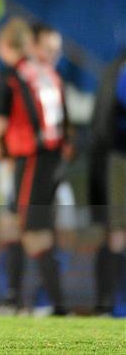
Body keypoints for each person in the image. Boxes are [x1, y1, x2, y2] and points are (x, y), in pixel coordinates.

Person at [0, 18, 67, 316]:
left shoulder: (12, 76)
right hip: (50, 159)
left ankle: (56, 306)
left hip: (30, 158)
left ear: (3, 45)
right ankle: (14, 299)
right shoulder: (46, 73)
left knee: (32, 232)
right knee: (15, 225)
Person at [89, 50, 126, 315]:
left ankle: (108, 303)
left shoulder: (116, 68)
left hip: (113, 157)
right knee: (117, 233)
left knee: (115, 233)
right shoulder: (120, 71)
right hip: (119, 158)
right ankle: (110, 304)